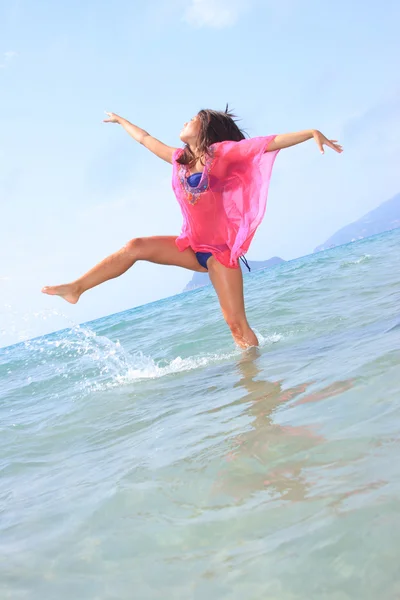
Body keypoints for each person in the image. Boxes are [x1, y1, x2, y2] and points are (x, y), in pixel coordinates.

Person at [42, 107, 342, 348]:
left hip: (219, 254)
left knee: (236, 325)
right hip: (191, 245)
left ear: (205, 130)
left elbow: (266, 143)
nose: (185, 121)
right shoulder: (179, 160)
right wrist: (122, 121)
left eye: (193, 119)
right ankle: (76, 287)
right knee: (135, 246)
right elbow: (146, 139)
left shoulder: (223, 154)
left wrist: (311, 133)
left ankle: (255, 382)